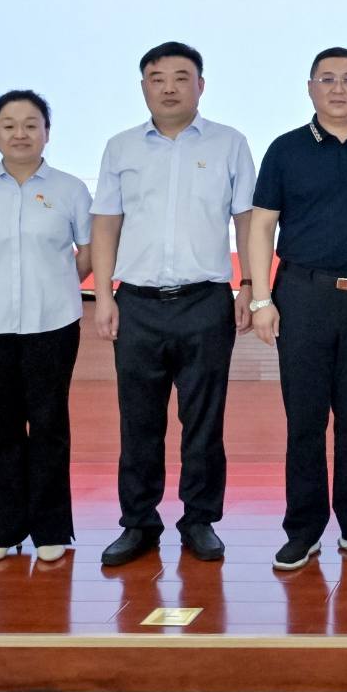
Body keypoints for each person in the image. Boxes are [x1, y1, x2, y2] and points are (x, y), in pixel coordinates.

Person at [90, 41, 257, 568]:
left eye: (181, 77)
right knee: (138, 421)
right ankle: (138, 522)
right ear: (143, 86)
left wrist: (250, 285)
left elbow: (247, 219)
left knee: (204, 420)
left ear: (200, 86)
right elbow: (106, 223)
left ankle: (199, 519)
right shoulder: (121, 148)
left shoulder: (229, 144)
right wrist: (103, 295)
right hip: (137, 303)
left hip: (205, 301)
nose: (168, 88)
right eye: (157, 78)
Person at [245, 47, 347, 571]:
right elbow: (262, 225)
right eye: (327, 79)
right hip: (302, 296)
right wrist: (261, 298)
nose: (338, 89)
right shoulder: (285, 149)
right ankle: (303, 529)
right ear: (310, 87)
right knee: (305, 421)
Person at [0, 89, 92, 566]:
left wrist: (57, 284)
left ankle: (51, 529)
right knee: (1, 426)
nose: (20, 134)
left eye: (31, 124)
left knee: (49, 424)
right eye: (9, 125)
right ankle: (4, 530)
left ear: (47, 132)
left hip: (54, 321)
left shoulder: (70, 189)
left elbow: (88, 251)